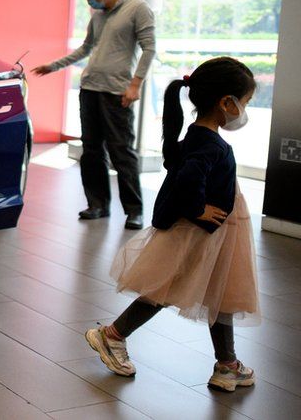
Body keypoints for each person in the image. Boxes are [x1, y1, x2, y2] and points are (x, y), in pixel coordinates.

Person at [84, 57, 260, 393]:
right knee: (171, 288)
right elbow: (189, 180)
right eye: (246, 102)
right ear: (226, 102)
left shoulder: (195, 136)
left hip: (215, 231)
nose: (245, 110)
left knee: (219, 292)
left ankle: (227, 364)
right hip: (205, 230)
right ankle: (112, 335)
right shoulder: (212, 145)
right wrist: (198, 210)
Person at [32, 0, 156, 230]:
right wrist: (53, 66)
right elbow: (86, 48)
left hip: (116, 93)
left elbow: (149, 48)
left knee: (121, 152)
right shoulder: (97, 15)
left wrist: (135, 85)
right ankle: (97, 204)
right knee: (91, 151)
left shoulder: (137, 9)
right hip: (90, 90)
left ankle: (134, 211)